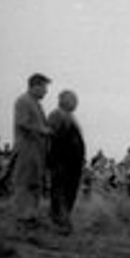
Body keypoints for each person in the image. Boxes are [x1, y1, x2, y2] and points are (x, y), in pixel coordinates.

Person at [12, 73, 52, 228]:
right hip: (26, 149)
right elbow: (22, 123)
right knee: (24, 183)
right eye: (44, 87)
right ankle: (22, 218)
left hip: (37, 152)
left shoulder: (36, 104)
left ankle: (30, 217)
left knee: (35, 184)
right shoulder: (23, 101)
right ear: (35, 86)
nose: (46, 91)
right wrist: (43, 130)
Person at [45, 89, 86, 234]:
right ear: (63, 100)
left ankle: (63, 220)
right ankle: (58, 222)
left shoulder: (70, 117)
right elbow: (49, 138)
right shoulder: (57, 115)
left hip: (72, 166)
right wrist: (51, 161)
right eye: (72, 99)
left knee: (69, 193)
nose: (76, 103)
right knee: (60, 192)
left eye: (76, 100)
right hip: (62, 164)